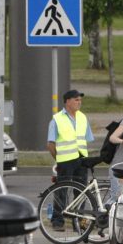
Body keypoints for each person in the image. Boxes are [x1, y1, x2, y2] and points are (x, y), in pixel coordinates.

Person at [47, 89, 94, 229]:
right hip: (65, 160)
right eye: (76, 100)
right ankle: (57, 221)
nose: (79, 102)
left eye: (80, 100)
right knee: (62, 191)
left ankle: (78, 221)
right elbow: (50, 144)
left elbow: (86, 139)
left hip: (81, 159)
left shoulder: (83, 117)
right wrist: (59, 158)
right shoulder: (57, 119)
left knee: (81, 191)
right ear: (67, 101)